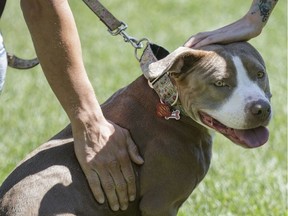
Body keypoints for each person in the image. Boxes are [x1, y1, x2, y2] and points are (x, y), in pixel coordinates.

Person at [4, 0, 275, 212]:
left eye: (258, 75)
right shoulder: (173, 142)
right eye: (221, 84)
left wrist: (255, 18)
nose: (258, 104)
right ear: (175, 72)